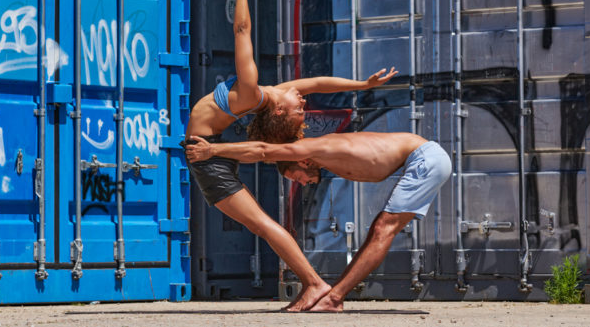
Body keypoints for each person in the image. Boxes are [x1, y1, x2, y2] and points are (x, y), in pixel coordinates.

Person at [183, 0, 398, 311]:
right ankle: (313, 284)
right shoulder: (271, 95)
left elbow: (242, 32)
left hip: (206, 154)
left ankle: (314, 284)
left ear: (280, 111)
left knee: (263, 225)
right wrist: (362, 84)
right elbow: (315, 83)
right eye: (302, 106)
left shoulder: (252, 92)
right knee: (261, 224)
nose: (302, 100)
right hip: (212, 150)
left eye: (299, 107)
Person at [183, 131, 452, 312]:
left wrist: (213, 150)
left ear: (302, 160)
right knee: (380, 228)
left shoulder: (311, 147)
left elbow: (263, 150)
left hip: (424, 159)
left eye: (298, 177)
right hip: (423, 161)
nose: (304, 183)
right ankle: (332, 295)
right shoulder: (321, 157)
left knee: (383, 229)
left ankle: (333, 298)